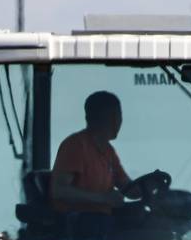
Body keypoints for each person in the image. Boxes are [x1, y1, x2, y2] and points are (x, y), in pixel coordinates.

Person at [51, 90, 136, 221]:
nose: (118, 121)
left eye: (118, 116)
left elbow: (127, 188)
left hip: (103, 219)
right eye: (114, 116)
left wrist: (148, 188)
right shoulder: (76, 145)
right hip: (78, 222)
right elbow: (59, 191)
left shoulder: (108, 151)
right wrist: (103, 198)